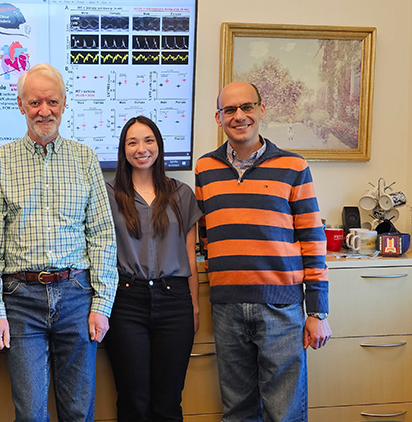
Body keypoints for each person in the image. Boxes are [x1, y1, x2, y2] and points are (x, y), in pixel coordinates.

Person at [0, 63, 118, 422]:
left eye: (52, 101)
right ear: (21, 105)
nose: (44, 110)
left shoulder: (84, 159)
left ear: (64, 103)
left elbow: (101, 235)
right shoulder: (0, 161)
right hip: (21, 301)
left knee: (79, 411)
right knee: (31, 412)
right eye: (35, 102)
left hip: (76, 296)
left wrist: (102, 303)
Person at [194, 81, 332, 422]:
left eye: (247, 107)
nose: (239, 116)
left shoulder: (294, 167)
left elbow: (313, 240)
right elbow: (206, 234)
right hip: (226, 308)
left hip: (281, 308)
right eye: (230, 110)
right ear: (218, 117)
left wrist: (317, 312)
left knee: (283, 411)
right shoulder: (204, 169)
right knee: (237, 410)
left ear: (262, 110)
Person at [104, 116, 202, 422]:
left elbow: (190, 255)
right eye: (132, 142)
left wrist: (194, 306)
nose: (141, 149)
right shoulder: (108, 194)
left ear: (158, 146)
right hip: (126, 302)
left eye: (148, 140)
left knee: (169, 400)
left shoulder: (182, 194)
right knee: (134, 399)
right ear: (123, 150)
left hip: (174, 302)